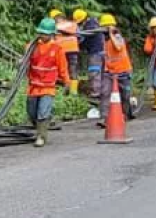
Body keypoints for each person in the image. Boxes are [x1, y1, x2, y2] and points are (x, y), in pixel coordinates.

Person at [26, 18, 69, 147]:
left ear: (51, 34)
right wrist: (21, 63)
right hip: (33, 86)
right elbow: (25, 63)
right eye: (41, 32)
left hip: (48, 87)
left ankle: (41, 136)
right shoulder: (31, 47)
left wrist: (67, 81)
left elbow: (63, 67)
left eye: (45, 33)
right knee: (31, 111)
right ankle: (38, 128)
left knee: (43, 111)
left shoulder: (57, 49)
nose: (42, 35)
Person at [99, 13, 134, 125]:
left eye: (106, 27)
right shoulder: (104, 41)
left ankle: (125, 114)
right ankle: (104, 118)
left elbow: (118, 47)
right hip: (110, 72)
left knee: (125, 95)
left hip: (123, 71)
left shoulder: (118, 37)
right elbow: (106, 57)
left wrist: (111, 33)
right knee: (105, 93)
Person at [76, 8, 105, 103]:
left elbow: (84, 40)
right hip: (101, 51)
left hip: (95, 53)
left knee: (94, 72)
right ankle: (103, 92)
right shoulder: (95, 23)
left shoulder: (90, 27)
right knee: (101, 73)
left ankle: (96, 94)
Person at [51, 9, 80, 95]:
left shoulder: (54, 26)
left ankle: (61, 90)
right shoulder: (73, 24)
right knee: (73, 70)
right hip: (73, 49)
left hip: (61, 50)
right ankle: (73, 92)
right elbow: (80, 36)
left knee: (61, 69)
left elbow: (52, 39)